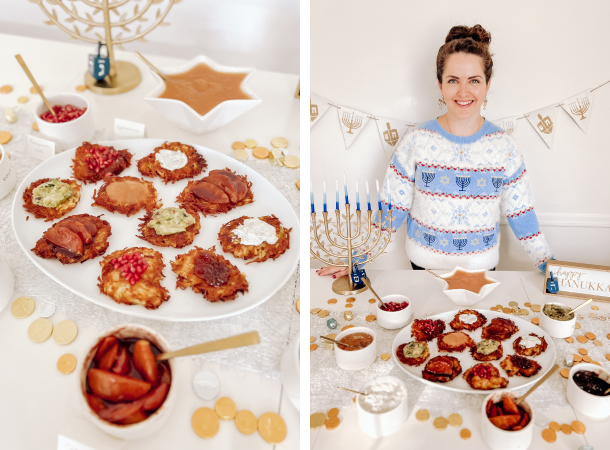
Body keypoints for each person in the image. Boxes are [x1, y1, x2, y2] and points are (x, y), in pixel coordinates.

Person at [317, 24, 553, 279]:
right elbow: (392, 210)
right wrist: (356, 256)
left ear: (487, 85)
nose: (463, 92)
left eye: (474, 80)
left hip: (480, 272)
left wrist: (548, 263)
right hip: (423, 269)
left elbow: (522, 215)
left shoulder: (504, 147)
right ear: (440, 84)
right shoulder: (416, 141)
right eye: (453, 81)